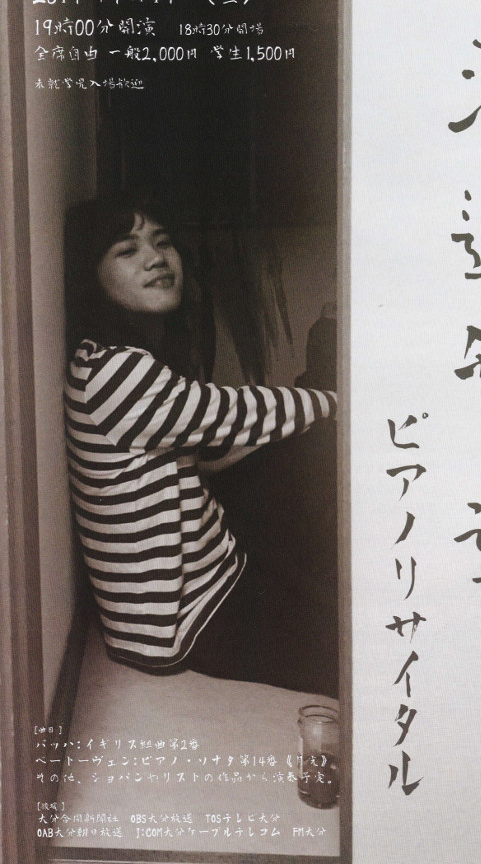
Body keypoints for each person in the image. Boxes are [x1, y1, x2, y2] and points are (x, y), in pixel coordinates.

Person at [63, 193, 338, 696]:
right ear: (91, 277)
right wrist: (336, 403)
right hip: (186, 620)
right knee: (355, 647)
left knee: (296, 454)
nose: (155, 258)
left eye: (163, 242)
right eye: (127, 250)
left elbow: (205, 447)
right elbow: (229, 414)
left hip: (210, 575)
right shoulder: (113, 371)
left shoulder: (111, 359)